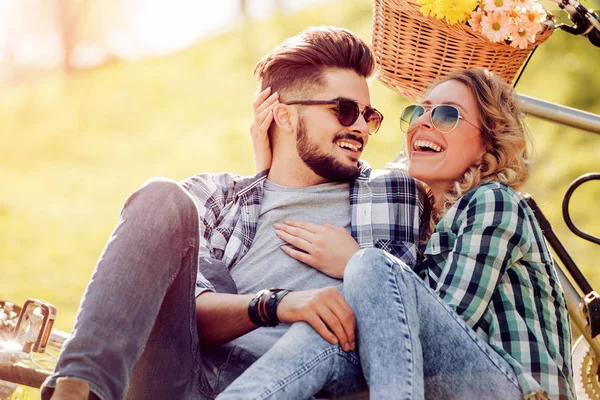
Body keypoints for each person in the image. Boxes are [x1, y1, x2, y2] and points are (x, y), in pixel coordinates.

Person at [41, 26, 426, 400]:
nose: (360, 126)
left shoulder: (393, 193)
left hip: (295, 383)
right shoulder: (214, 197)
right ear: (285, 116)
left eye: (368, 115)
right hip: (182, 377)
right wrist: (276, 304)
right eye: (343, 110)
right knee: (160, 195)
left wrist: (355, 261)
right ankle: (77, 389)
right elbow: (186, 317)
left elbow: (457, 138)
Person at [217, 69, 574, 399]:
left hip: (516, 390)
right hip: (453, 383)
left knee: (371, 266)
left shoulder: (493, 201)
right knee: (327, 328)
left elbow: (436, 323)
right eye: (419, 112)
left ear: (488, 142)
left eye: (447, 116)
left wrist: (355, 262)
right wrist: (270, 170)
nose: (422, 123)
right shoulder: (426, 216)